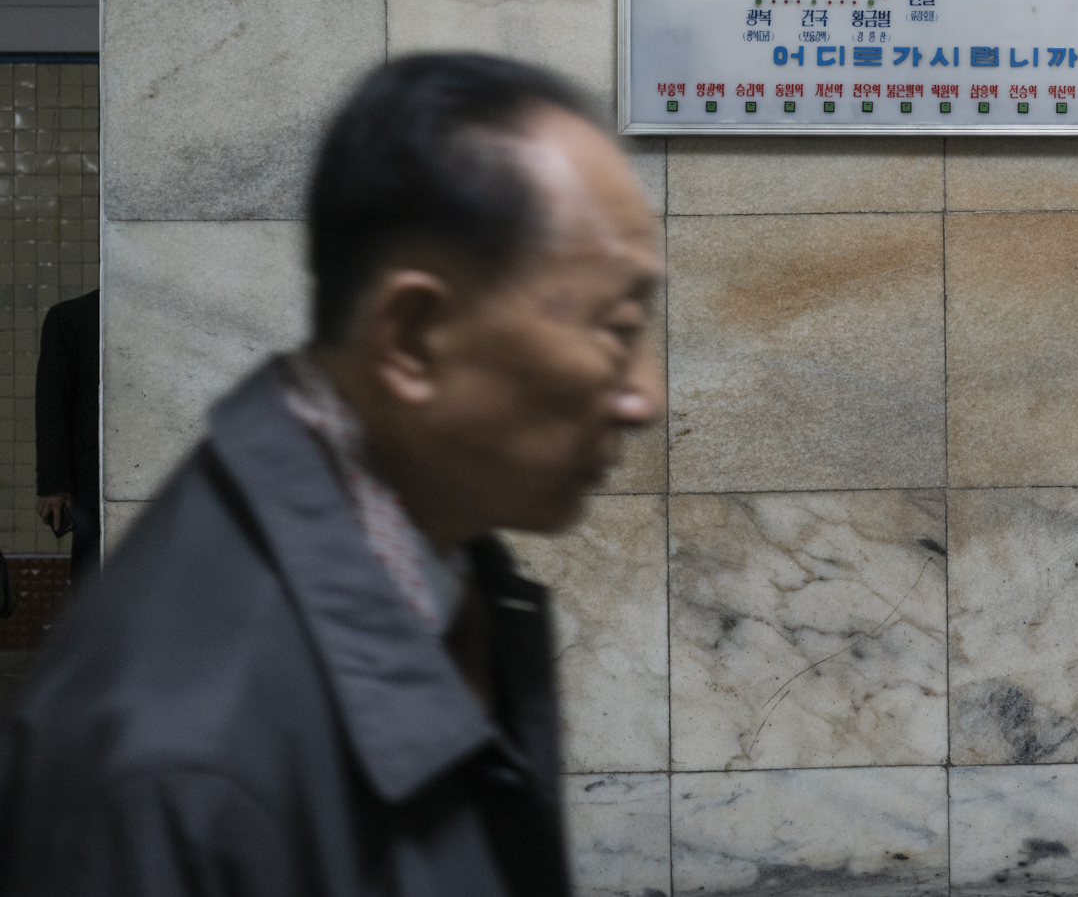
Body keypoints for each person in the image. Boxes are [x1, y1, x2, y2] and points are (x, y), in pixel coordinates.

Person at [0, 54, 665, 896]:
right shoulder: (172, 762)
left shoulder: (452, 573)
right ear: (414, 334)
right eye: (616, 325)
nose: (646, 394)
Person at [34, 289, 99, 586]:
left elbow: (52, 406)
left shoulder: (71, 317)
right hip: (90, 482)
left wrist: (54, 486)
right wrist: (54, 485)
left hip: (90, 478)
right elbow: (52, 405)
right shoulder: (72, 319)